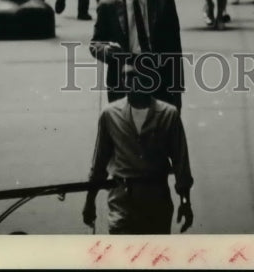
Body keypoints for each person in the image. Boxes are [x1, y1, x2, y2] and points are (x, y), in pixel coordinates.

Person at [83, 63, 194, 235]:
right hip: (122, 202)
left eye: (136, 76)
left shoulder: (168, 115)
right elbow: (99, 163)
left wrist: (185, 202)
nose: (130, 81)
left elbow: (181, 164)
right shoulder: (110, 115)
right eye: (126, 76)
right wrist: (89, 202)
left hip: (156, 201)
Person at [89, 0, 184, 108]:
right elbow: (95, 44)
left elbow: (175, 46)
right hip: (124, 75)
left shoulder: (163, 0)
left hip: (157, 70)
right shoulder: (108, 5)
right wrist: (107, 50)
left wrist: (177, 89)